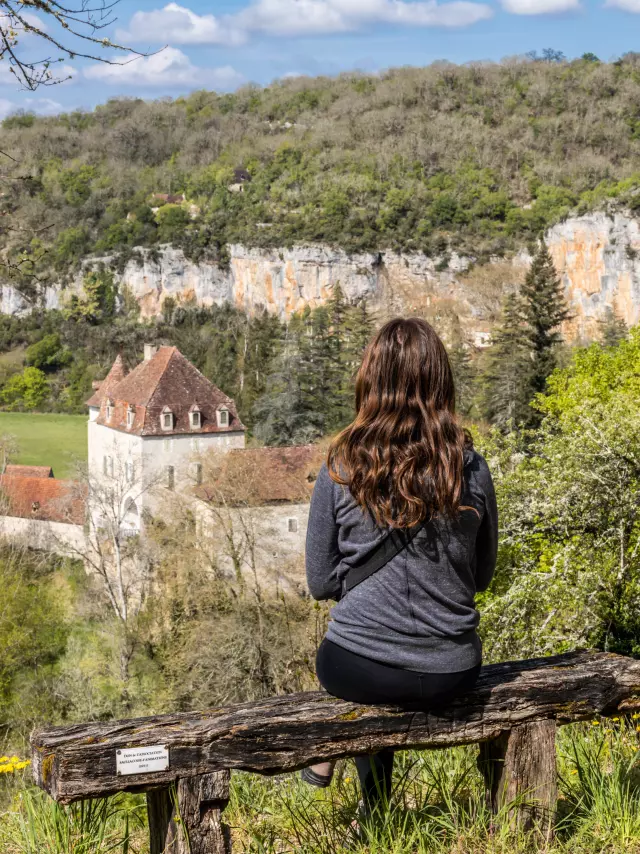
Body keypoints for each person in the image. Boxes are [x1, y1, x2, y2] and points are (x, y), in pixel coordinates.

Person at [301, 317, 498, 819]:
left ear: (371, 380)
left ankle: (367, 794)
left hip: (355, 669)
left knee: (357, 652)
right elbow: (482, 577)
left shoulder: (341, 468)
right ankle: (372, 799)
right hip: (451, 671)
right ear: (440, 382)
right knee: (389, 651)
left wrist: (368, 583)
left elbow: (320, 581)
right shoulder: (470, 469)